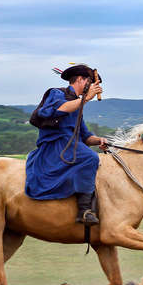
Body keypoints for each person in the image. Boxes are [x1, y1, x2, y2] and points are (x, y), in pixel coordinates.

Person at [25, 64, 106, 225]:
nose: (95, 88)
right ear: (82, 80)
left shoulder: (78, 105)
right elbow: (60, 108)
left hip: (72, 146)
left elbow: (85, 136)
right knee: (91, 157)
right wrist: (86, 98)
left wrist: (99, 140)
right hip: (55, 146)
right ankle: (84, 211)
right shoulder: (56, 93)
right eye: (92, 83)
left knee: (93, 154)